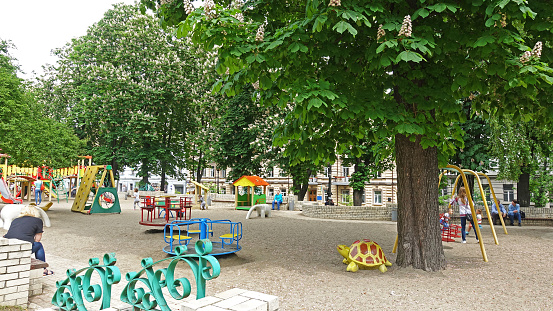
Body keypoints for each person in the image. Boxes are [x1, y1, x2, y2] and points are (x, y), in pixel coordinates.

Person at [3, 205, 52, 276]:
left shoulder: (16, 220)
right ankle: (43, 269)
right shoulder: (38, 221)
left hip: (9, 247)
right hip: (22, 248)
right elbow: (37, 240)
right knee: (39, 245)